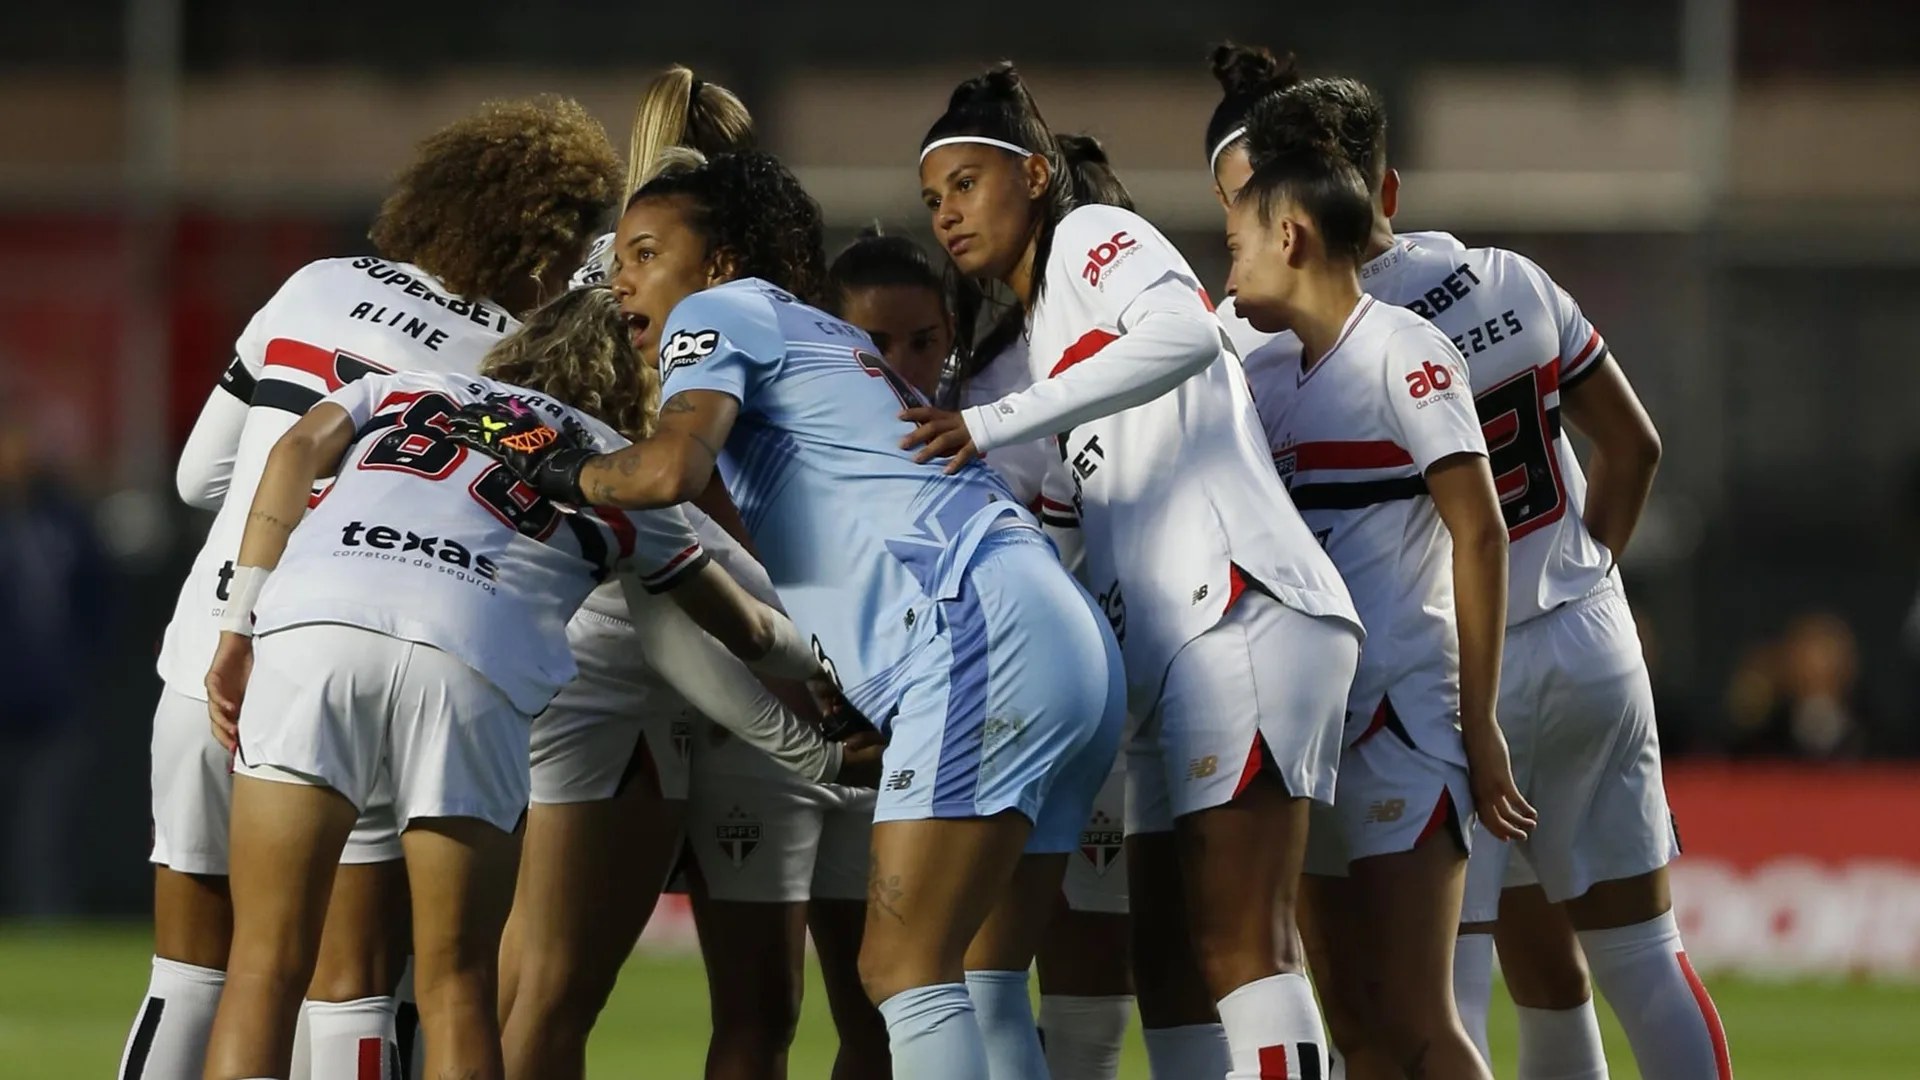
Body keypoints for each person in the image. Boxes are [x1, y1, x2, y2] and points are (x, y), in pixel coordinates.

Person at [446, 148, 1127, 1080]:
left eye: (645, 253)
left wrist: (554, 467)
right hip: (1060, 632)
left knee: (901, 967)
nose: (624, 281)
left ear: (720, 262)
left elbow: (666, 472)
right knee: (983, 976)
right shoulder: (812, 338)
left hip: (976, 629)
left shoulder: (718, 313)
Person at [198, 287, 837, 1080]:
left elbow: (294, 451)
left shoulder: (412, 385)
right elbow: (742, 632)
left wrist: (238, 620)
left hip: (316, 621)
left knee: (263, 964)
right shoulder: (618, 472)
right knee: (458, 985)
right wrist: (833, 700)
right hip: (470, 657)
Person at [127, 96, 621, 1080]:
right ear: (542, 244)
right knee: (351, 982)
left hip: (205, 656)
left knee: (192, 975)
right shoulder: (514, 367)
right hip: (350, 650)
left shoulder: (319, 283)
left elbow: (194, 478)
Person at [1254, 75, 1730, 1080]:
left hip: (1452, 669)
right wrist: (1589, 575)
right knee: (1638, 959)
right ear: (1387, 186)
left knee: (1441, 997)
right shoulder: (1510, 277)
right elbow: (1634, 448)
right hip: (1589, 635)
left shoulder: (1317, 332)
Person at [904, 65, 1363, 1080]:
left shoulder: (1092, 238)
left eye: (968, 184)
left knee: (1248, 947)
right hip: (1169, 658)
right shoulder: (1033, 341)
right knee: (1167, 963)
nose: (947, 214)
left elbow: (1185, 333)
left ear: (1033, 174)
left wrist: (987, 423)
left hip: (1236, 607)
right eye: (934, 199)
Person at [1229, 113, 1534, 1080]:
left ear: (1290, 238)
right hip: (1311, 729)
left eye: (1235, 242)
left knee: (1418, 1022)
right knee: (1352, 1030)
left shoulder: (1408, 351)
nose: (1225, 267)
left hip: (1407, 719)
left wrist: (1478, 724)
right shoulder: (1262, 371)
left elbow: (1480, 533)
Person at [827, 150, 1135, 1079]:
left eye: (921, 343)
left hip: (1009, 692)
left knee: (934, 975)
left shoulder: (1004, 404)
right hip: (1015, 692)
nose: (901, 368)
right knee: (943, 987)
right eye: (877, 346)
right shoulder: (963, 407)